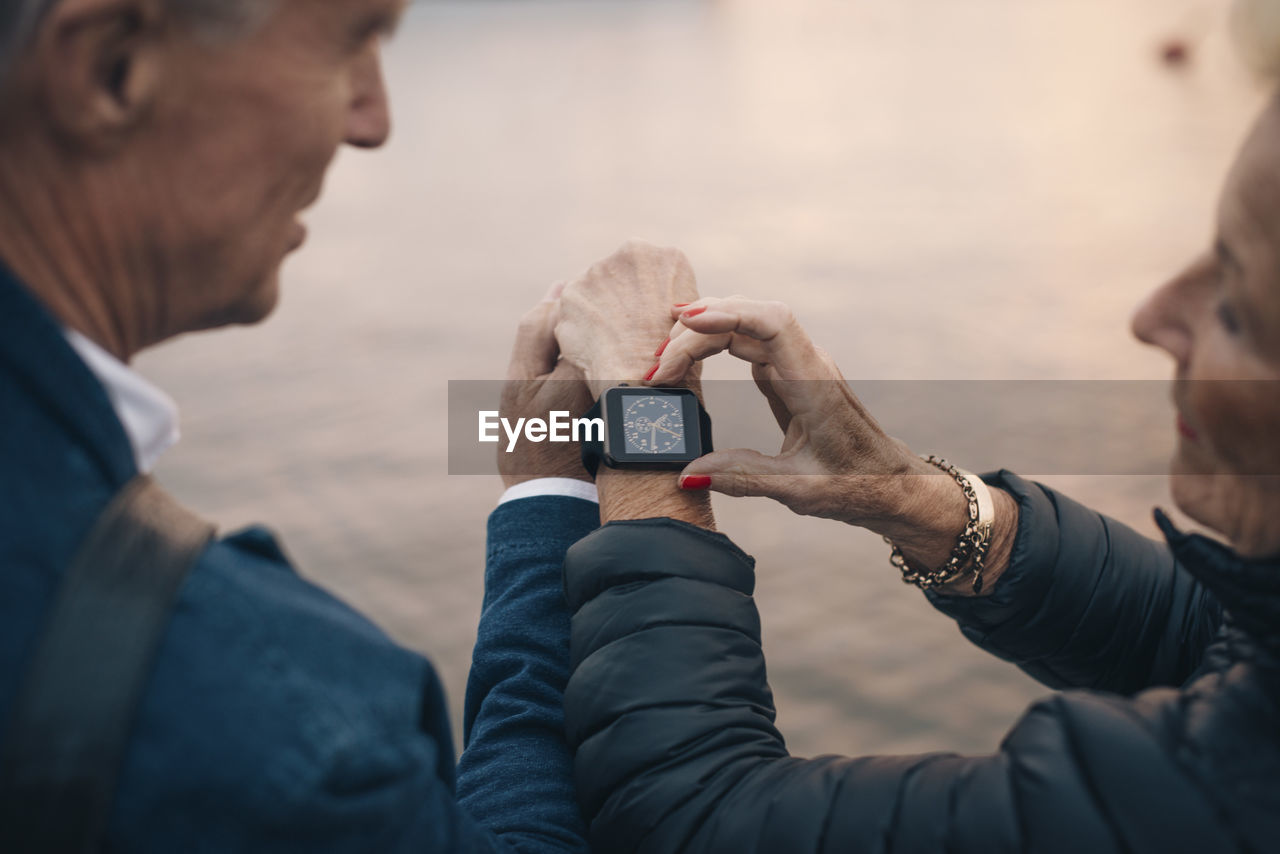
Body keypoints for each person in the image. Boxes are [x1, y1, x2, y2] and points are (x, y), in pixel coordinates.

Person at [550, 17, 1280, 854]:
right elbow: (1202, 642)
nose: (1151, 318)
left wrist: (644, 418)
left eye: (1235, 306)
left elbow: (686, 815)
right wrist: (911, 497)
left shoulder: (1220, 802)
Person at [0, 0, 610, 850]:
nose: (374, 121)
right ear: (111, 67)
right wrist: (551, 500)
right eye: (355, 39)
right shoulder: (275, 738)